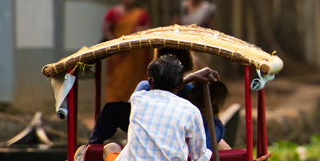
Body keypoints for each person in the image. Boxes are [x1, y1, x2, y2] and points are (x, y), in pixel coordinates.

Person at [101, 54, 228, 161]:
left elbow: (144, 86)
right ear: (181, 85)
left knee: (111, 147)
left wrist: (191, 77)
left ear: (150, 82)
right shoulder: (190, 111)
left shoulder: (138, 98)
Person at [86, 49, 221, 149]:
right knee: (112, 110)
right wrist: (188, 79)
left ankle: (91, 146)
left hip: (178, 135)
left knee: (215, 125)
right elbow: (137, 112)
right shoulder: (145, 91)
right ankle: (90, 148)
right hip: (152, 130)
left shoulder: (188, 93)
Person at [102, 0, 152, 102]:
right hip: (117, 54)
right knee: (116, 83)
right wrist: (115, 43)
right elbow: (106, 28)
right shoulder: (113, 12)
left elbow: (148, 29)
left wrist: (139, 30)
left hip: (135, 55)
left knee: (135, 83)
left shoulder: (141, 14)